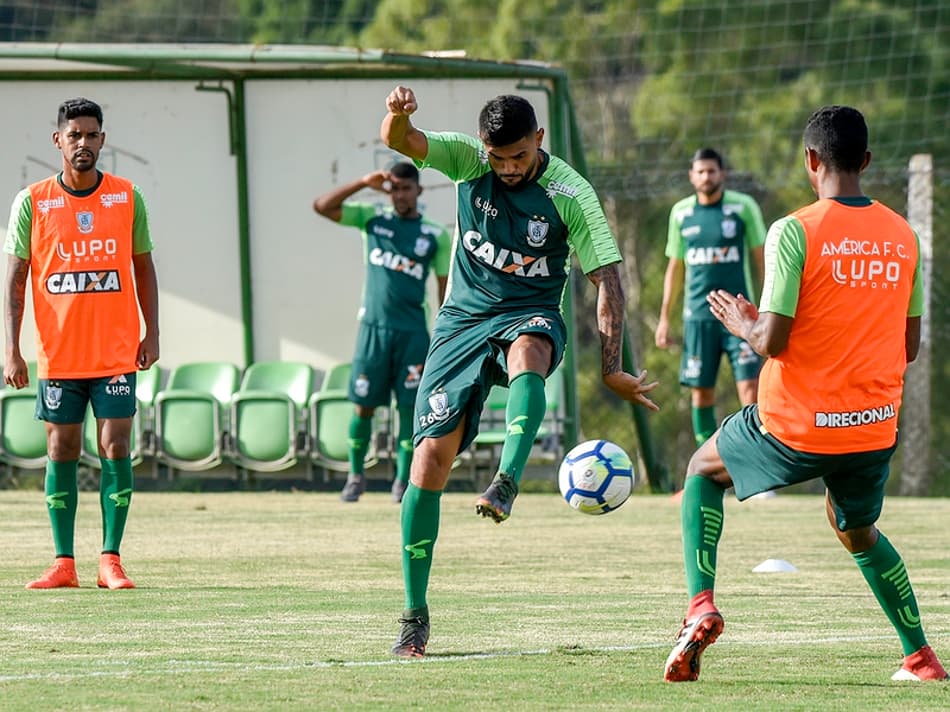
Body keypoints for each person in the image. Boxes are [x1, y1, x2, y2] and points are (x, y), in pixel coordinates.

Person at [663, 106, 947, 683]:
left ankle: (700, 607)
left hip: (796, 425)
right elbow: (910, 346)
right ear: (866, 162)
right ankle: (920, 658)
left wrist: (744, 323)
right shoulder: (903, 235)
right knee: (858, 532)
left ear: (811, 161)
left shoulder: (794, 229)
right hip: (872, 427)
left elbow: (772, 340)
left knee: (701, 469)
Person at [380, 85, 660, 658]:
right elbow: (403, 141)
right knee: (429, 460)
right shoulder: (466, 158)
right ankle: (414, 617)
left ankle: (507, 480)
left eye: (519, 157)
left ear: (539, 140)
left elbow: (606, 279)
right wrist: (397, 116)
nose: (507, 169)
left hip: (529, 306)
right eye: (497, 158)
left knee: (530, 347)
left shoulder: (569, 193)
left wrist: (612, 368)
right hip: (461, 320)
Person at [4, 97, 160, 590]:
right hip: (59, 353)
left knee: (115, 445)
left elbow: (143, 266)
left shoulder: (127, 197)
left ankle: (110, 559)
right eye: (75, 135)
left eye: (92, 135)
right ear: (58, 140)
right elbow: (15, 278)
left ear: (103, 141)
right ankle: (63, 562)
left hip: (114, 351)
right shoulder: (32, 201)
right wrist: (11, 348)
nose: (84, 143)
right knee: (62, 446)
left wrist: (151, 330)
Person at [313, 163, 451, 503]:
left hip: (413, 334)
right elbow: (322, 206)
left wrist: (445, 337)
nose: (400, 195)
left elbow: (444, 291)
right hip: (373, 330)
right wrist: (362, 181)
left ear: (419, 190)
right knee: (363, 406)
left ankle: (403, 481)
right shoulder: (371, 220)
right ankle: (356, 477)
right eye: (394, 189)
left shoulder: (435, 235)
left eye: (406, 188)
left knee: (409, 409)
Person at [656, 148, 767, 449]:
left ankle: (754, 463)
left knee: (750, 387)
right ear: (692, 176)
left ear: (723, 174)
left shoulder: (743, 208)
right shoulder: (680, 213)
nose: (707, 177)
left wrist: (767, 308)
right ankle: (706, 465)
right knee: (701, 391)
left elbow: (761, 259)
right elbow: (675, 267)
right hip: (699, 318)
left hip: (740, 316)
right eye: (700, 171)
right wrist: (664, 318)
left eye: (712, 171)